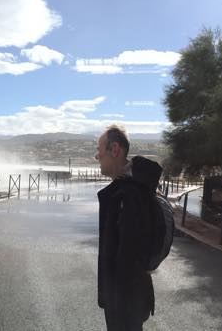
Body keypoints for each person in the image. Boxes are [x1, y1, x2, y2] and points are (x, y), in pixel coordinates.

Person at [95, 124, 160, 331]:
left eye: (99, 149)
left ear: (114, 150)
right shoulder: (128, 191)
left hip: (124, 306)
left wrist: (116, 303)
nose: (97, 156)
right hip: (126, 303)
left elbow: (129, 259)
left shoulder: (129, 196)